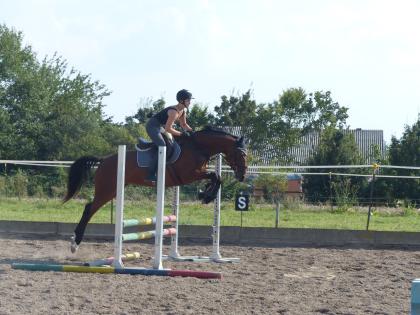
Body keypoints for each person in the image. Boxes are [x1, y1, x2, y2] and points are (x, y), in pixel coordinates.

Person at [145, 89, 194, 182]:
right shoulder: (173, 112)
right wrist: (181, 134)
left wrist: (192, 132)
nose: (190, 102)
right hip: (152, 126)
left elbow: (184, 124)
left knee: (171, 144)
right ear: (181, 101)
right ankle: (150, 174)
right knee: (162, 145)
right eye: (188, 100)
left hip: (160, 127)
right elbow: (168, 129)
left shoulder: (183, 110)